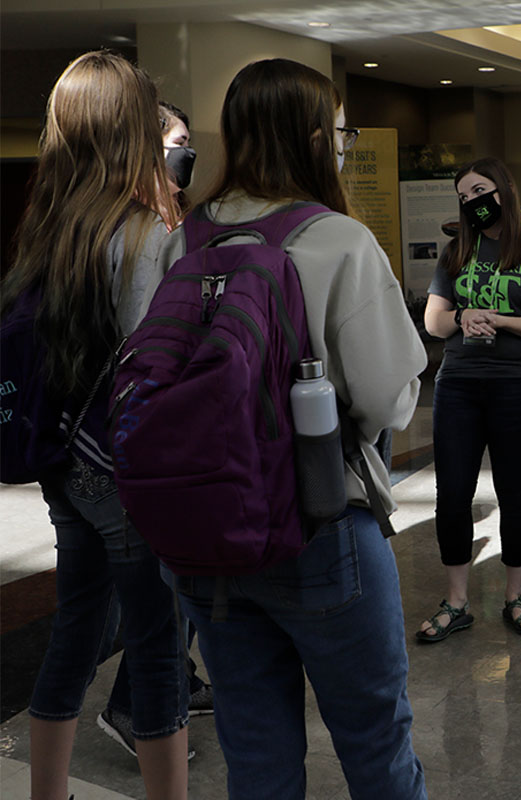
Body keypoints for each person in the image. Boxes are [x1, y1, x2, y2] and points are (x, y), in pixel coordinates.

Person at [158, 58, 428, 800]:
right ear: (313, 137)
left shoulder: (179, 242)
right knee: (377, 748)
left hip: (204, 535)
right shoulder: (337, 240)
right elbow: (386, 403)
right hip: (321, 525)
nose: (342, 146)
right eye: (339, 132)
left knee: (257, 754)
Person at [1, 50, 189, 800]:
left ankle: (49, 793)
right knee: (157, 642)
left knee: (76, 628)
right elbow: (159, 370)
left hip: (61, 463)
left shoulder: (48, 230)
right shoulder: (145, 235)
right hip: (127, 470)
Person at [418, 157, 521, 643]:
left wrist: (502, 320)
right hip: (459, 384)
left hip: (518, 385)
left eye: (480, 191)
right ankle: (458, 600)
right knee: (453, 493)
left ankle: (516, 595)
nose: (474, 203)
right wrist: (463, 315)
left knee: (513, 490)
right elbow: (433, 322)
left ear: (504, 192)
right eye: (465, 197)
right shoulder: (455, 253)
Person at [98, 98, 213, 760]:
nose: (185, 158)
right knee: (165, 588)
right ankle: (140, 710)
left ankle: (158, 692)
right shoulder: (149, 234)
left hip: (109, 440)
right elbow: (151, 347)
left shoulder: (109, 226)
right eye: (175, 144)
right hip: (146, 439)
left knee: (132, 595)